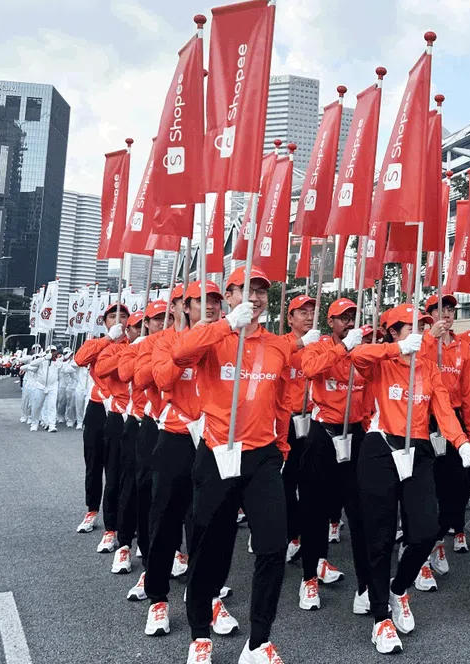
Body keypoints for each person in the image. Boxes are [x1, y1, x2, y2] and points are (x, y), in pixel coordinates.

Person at [172, 266, 295, 664]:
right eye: (247, 290)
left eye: (262, 291)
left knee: (274, 547)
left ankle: (259, 642)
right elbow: (179, 353)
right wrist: (225, 323)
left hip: (262, 456)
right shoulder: (214, 336)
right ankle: (199, 636)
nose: (256, 298)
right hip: (218, 453)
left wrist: (280, 449)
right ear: (229, 295)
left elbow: (282, 401)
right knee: (211, 548)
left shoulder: (277, 345)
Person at [350, 304, 470, 655]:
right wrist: (395, 349)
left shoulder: (430, 368)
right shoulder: (381, 362)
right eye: (408, 328)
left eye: (421, 326)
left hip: (418, 449)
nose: (416, 333)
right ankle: (380, 619)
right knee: (379, 537)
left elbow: (444, 410)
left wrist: (461, 442)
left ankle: (399, 587)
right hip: (379, 448)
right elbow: (357, 356)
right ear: (393, 332)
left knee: (424, 530)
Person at [144, 282, 230, 638]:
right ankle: (158, 598)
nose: (208, 306)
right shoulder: (166, 340)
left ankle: (207, 596)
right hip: (177, 439)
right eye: (200, 301)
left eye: (215, 300)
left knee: (210, 525)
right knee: (165, 521)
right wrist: (193, 341)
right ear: (184, 305)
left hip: (213, 443)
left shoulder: (227, 339)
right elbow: (162, 377)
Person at [294, 297, 371, 613]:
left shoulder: (364, 349)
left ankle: (366, 586)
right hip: (322, 436)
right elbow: (310, 368)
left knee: (360, 514)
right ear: (331, 322)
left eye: (353, 316)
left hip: (356, 435)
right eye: (342, 318)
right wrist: (343, 348)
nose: (349, 322)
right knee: (314, 511)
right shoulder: (318, 346)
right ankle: (309, 577)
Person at [420, 293, 470, 578]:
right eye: (441, 309)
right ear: (429, 314)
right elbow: (413, 362)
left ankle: (439, 538)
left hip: (453, 420)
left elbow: (468, 391)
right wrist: (430, 337)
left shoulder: (462, 347)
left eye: (452, 309)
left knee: (456, 487)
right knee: (425, 488)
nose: (448, 314)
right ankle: (419, 548)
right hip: (423, 419)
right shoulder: (421, 342)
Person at [125, 300, 170, 602]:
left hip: (188, 429)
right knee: (147, 492)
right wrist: (147, 348)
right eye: (155, 319)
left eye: (167, 317)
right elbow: (133, 376)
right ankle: (147, 561)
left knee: (183, 502)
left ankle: (190, 567)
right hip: (151, 422)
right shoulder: (145, 344)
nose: (161, 323)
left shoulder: (187, 340)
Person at [74, 302, 130, 540]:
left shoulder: (132, 345)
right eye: (112, 316)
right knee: (94, 461)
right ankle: (92, 509)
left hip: (120, 410)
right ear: (105, 321)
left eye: (123, 316)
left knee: (117, 466)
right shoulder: (96, 343)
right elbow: (80, 359)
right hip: (98, 407)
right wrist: (108, 338)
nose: (119, 320)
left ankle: (118, 516)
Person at [281, 294, 317, 565]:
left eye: (312, 312)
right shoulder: (281, 344)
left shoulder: (320, 344)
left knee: (310, 483)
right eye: (301, 312)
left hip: (313, 420)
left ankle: (307, 536)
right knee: (285, 482)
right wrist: (300, 344)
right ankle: (290, 532)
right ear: (289, 318)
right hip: (286, 422)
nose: (307, 317)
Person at [111, 311, 147, 575]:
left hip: (172, 428)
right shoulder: (130, 350)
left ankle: (161, 549)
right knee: (130, 486)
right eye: (142, 324)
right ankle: (124, 543)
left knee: (159, 494)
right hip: (137, 422)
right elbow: (123, 374)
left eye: (163, 318)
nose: (158, 324)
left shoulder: (175, 343)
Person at [22, 345, 62, 432]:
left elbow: (60, 372)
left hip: (52, 386)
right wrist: (44, 358)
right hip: (40, 385)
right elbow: (32, 364)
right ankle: (34, 423)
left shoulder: (58, 362)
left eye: (54, 351)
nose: (52, 353)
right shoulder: (41, 360)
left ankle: (51, 424)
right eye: (50, 351)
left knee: (51, 406)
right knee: (37, 405)